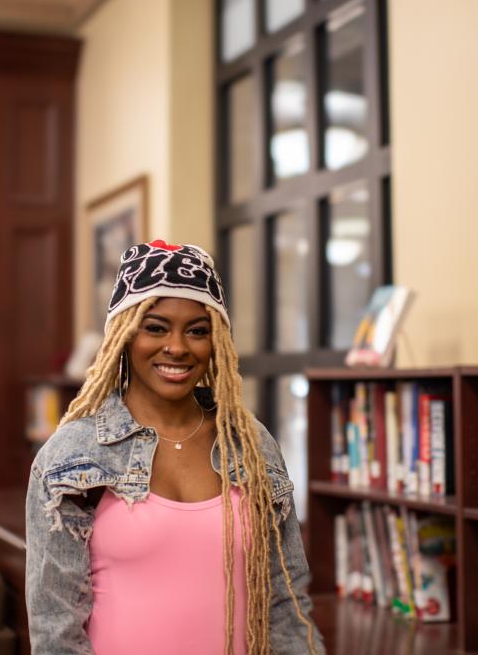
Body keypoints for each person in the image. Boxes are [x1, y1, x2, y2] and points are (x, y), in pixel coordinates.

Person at [26, 240, 325, 654]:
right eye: (156, 327)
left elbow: (285, 601)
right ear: (124, 335)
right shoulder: (71, 454)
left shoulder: (250, 443)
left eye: (198, 331)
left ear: (216, 341)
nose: (178, 347)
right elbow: (55, 629)